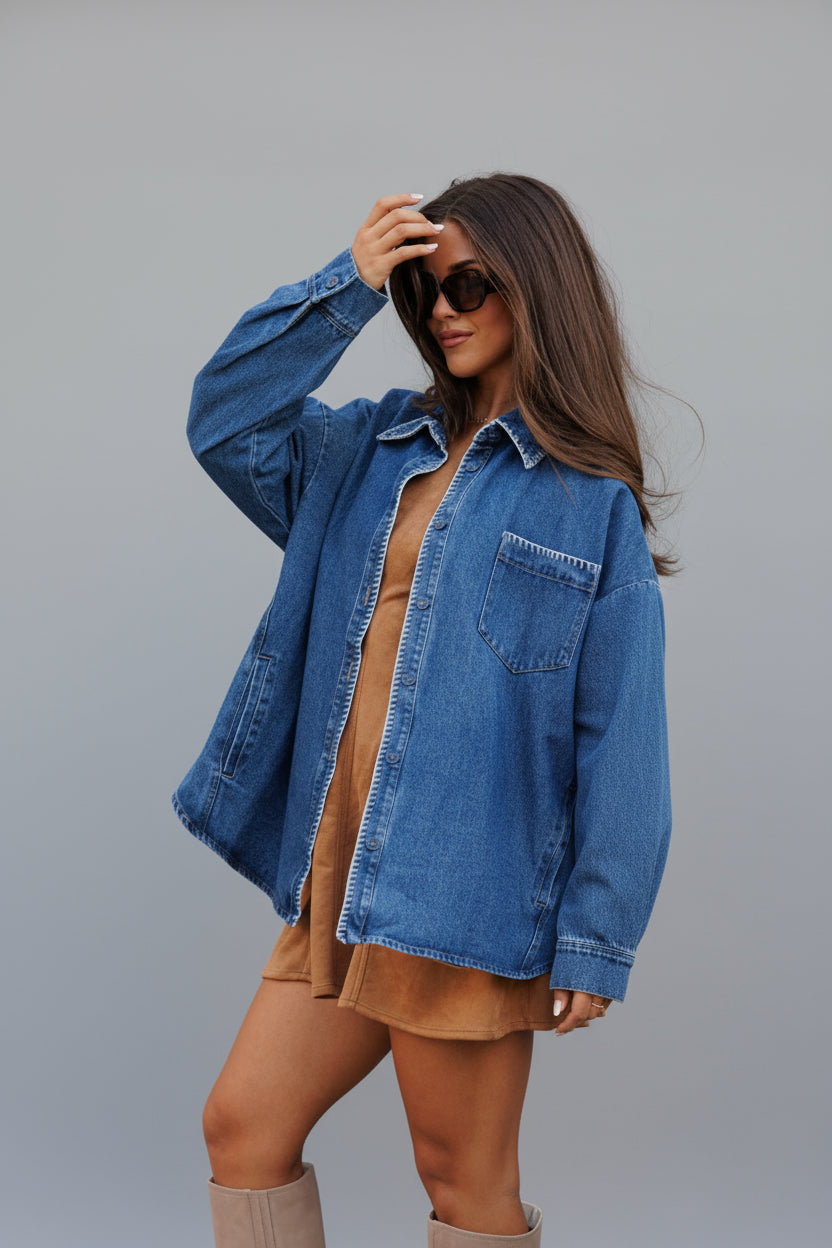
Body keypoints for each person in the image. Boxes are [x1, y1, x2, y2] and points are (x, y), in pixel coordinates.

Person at [171, 174, 674, 1247]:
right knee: (242, 1128)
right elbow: (225, 420)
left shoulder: (590, 505)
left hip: (465, 899)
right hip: (340, 884)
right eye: (422, 291)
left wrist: (597, 934)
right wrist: (346, 288)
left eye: (471, 285)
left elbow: (622, 733)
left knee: (462, 1189)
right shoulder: (365, 450)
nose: (442, 308)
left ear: (537, 291)